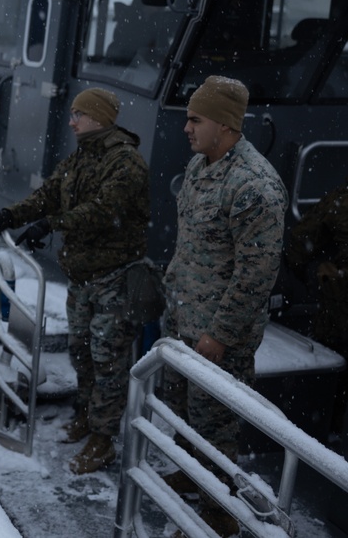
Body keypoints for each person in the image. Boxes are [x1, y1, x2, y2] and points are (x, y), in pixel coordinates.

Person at [0, 88, 150, 474]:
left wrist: (52, 223)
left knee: (107, 360)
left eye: (79, 114)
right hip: (82, 277)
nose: (72, 121)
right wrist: (13, 215)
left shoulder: (126, 163)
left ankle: (103, 439)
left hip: (116, 277)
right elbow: (49, 195)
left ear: (98, 118)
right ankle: (87, 416)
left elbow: (103, 210)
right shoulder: (81, 157)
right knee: (82, 354)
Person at [160, 75, 287, 537]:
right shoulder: (200, 167)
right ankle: (187, 471)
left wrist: (219, 334)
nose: (186, 128)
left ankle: (218, 512)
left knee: (214, 425)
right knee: (179, 408)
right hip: (182, 317)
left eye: (195, 119)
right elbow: (192, 243)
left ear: (226, 125)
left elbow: (255, 274)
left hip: (218, 333)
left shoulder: (254, 187)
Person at [286, 178, 348, 439]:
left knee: (334, 375)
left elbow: (300, 241)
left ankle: (328, 432)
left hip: (340, 308)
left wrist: (308, 277)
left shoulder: (341, 198)